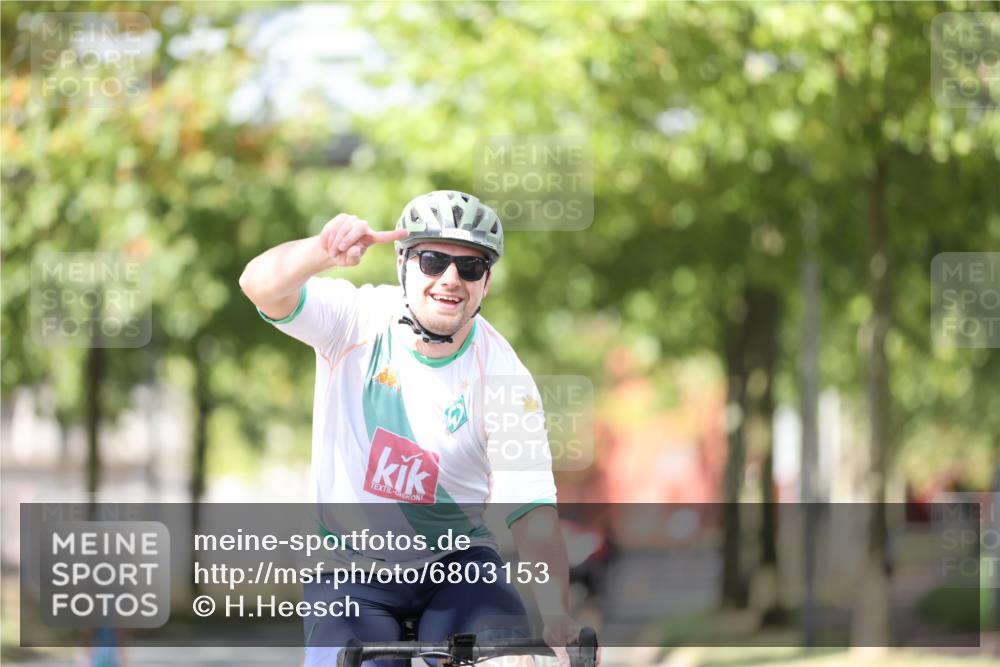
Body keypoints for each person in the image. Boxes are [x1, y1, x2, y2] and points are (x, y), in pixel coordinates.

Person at [239, 191, 595, 667]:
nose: (450, 279)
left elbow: (531, 512)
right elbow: (258, 285)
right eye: (432, 261)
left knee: (508, 662)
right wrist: (323, 250)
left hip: (457, 567)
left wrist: (556, 614)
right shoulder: (355, 319)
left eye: (470, 267)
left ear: (486, 282)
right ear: (403, 264)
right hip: (348, 568)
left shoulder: (503, 376)